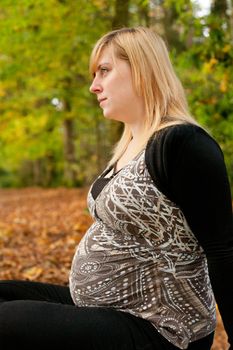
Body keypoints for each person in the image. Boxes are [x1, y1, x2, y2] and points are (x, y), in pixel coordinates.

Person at [0, 26, 232, 350]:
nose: (94, 86)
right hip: (108, 309)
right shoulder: (129, 144)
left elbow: (222, 249)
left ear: (141, 68)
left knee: (6, 323)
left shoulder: (181, 144)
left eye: (104, 71)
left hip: (162, 327)